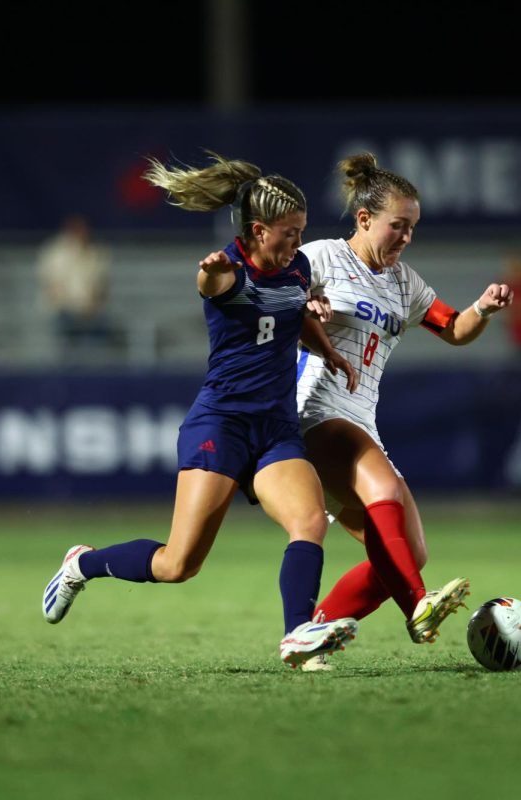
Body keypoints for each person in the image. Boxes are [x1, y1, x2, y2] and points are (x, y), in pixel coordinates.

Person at [41, 153, 358, 668]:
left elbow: (291, 312)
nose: (298, 243)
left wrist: (328, 348)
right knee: (178, 564)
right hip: (222, 425)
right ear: (258, 230)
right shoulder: (227, 269)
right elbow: (211, 286)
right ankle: (84, 564)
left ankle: (299, 637)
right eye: (289, 233)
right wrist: (208, 274)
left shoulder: (296, 267)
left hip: (275, 428)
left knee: (309, 522)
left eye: (301, 232)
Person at [294, 153, 513, 670]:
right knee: (386, 492)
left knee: (406, 555)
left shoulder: (404, 283)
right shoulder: (321, 257)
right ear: (364, 219)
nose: (406, 238)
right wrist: (306, 305)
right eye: (398, 226)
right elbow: (278, 295)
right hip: (315, 410)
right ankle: (418, 607)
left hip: (360, 418)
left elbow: (454, 329)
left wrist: (481, 307)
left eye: (412, 229)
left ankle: (310, 637)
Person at [37, 215, 112, 355]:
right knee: (66, 330)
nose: (81, 234)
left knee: (102, 328)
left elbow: (101, 285)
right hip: (64, 310)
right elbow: (52, 286)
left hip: (91, 312)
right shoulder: (55, 253)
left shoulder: (97, 252)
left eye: (83, 230)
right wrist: (73, 306)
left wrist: (91, 306)